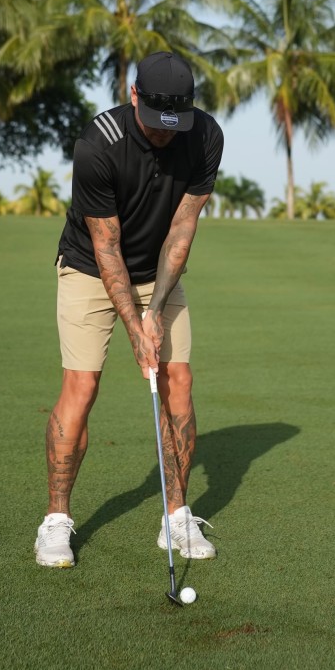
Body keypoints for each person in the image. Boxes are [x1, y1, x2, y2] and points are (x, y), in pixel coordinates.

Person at [35, 51, 224, 569]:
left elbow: (182, 231)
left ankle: (176, 516)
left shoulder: (205, 136)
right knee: (82, 384)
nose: (165, 135)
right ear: (133, 95)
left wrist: (156, 309)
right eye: (155, 124)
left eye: (175, 125)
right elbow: (106, 247)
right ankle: (55, 521)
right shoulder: (98, 145)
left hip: (160, 273)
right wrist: (135, 325)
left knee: (178, 378)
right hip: (90, 268)